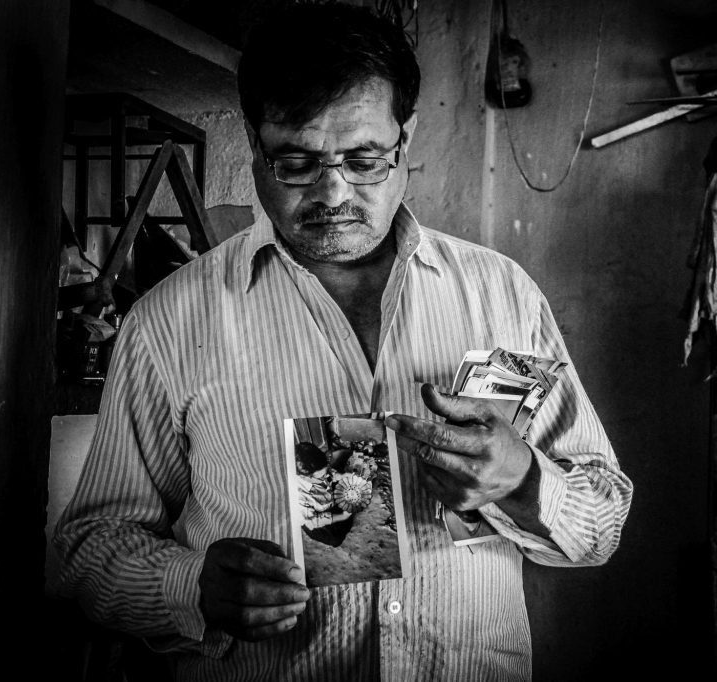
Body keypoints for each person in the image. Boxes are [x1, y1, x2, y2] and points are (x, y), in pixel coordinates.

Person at [54, 4, 633, 680]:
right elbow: (89, 551)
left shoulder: (502, 294)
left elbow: (603, 522)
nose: (333, 192)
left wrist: (524, 481)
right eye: (296, 161)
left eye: (364, 160)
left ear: (406, 137)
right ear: (253, 140)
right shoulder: (167, 323)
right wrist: (190, 587)